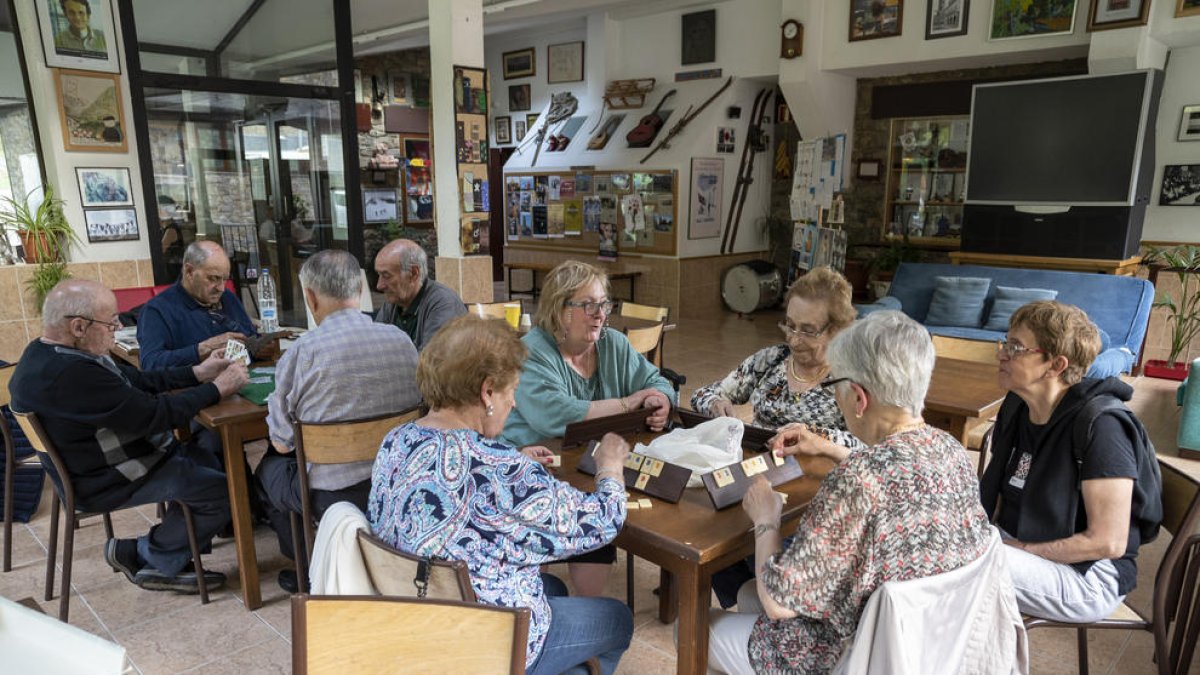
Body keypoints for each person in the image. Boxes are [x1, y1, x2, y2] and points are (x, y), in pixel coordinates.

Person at [708, 311, 994, 673]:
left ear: (859, 398)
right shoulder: (950, 450)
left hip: (853, 654)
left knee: (699, 628)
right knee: (749, 592)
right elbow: (896, 473)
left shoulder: (856, 479)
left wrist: (766, 520)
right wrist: (829, 447)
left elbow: (779, 602)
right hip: (934, 642)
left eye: (834, 385)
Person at [368, 315, 633, 674]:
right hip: (484, 640)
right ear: (487, 391)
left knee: (551, 583)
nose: (514, 404)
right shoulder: (503, 471)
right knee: (616, 619)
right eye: (512, 391)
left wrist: (511, 461)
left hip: (421, 618)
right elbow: (602, 521)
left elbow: (463, 488)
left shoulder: (395, 442)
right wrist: (611, 467)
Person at [9, 280, 249, 593]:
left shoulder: (46, 351)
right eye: (110, 322)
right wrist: (218, 388)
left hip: (99, 463)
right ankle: (146, 556)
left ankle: (176, 549)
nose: (118, 326)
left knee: (210, 455)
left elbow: (139, 380)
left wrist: (199, 372)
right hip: (106, 478)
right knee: (222, 488)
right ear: (79, 326)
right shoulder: (71, 375)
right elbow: (153, 415)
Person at [980, 300, 1162, 623]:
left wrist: (1021, 550)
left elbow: (1109, 541)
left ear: (1055, 365)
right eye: (1005, 343)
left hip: (1087, 575)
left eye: (1016, 347)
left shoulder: (1102, 427)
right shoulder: (1019, 407)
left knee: (963, 563)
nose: (1002, 353)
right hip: (1019, 542)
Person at [500, 260, 676, 596]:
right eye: (588, 305)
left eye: (604, 304)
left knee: (626, 497)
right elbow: (554, 415)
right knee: (564, 505)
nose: (599, 314)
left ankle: (587, 602)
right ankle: (536, 594)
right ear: (558, 309)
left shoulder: (612, 344)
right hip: (538, 464)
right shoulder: (532, 351)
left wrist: (660, 399)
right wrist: (629, 403)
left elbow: (656, 380)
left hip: (593, 463)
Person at [255, 250, 420, 593]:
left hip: (331, 491)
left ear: (310, 297)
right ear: (360, 291)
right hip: (396, 479)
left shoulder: (303, 352)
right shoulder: (401, 341)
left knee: (268, 472)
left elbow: (281, 441)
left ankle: (310, 568)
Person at [691, 267, 860, 438]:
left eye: (808, 331)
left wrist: (815, 437)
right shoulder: (772, 359)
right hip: (760, 461)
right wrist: (715, 403)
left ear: (837, 330)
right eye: (790, 325)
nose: (793, 340)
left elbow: (869, 448)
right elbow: (702, 394)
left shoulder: (851, 378)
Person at [138, 240, 258, 372]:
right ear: (189, 271)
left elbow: (250, 337)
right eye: (213, 278)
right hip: (192, 388)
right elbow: (150, 364)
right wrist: (202, 349)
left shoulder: (227, 297)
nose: (221, 288)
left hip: (241, 378)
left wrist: (258, 349)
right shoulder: (157, 310)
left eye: (225, 279)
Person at [373, 239, 466, 350]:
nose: (379, 285)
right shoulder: (393, 302)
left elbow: (431, 361)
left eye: (386, 276)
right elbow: (375, 349)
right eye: (379, 275)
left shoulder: (443, 303)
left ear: (413, 274)